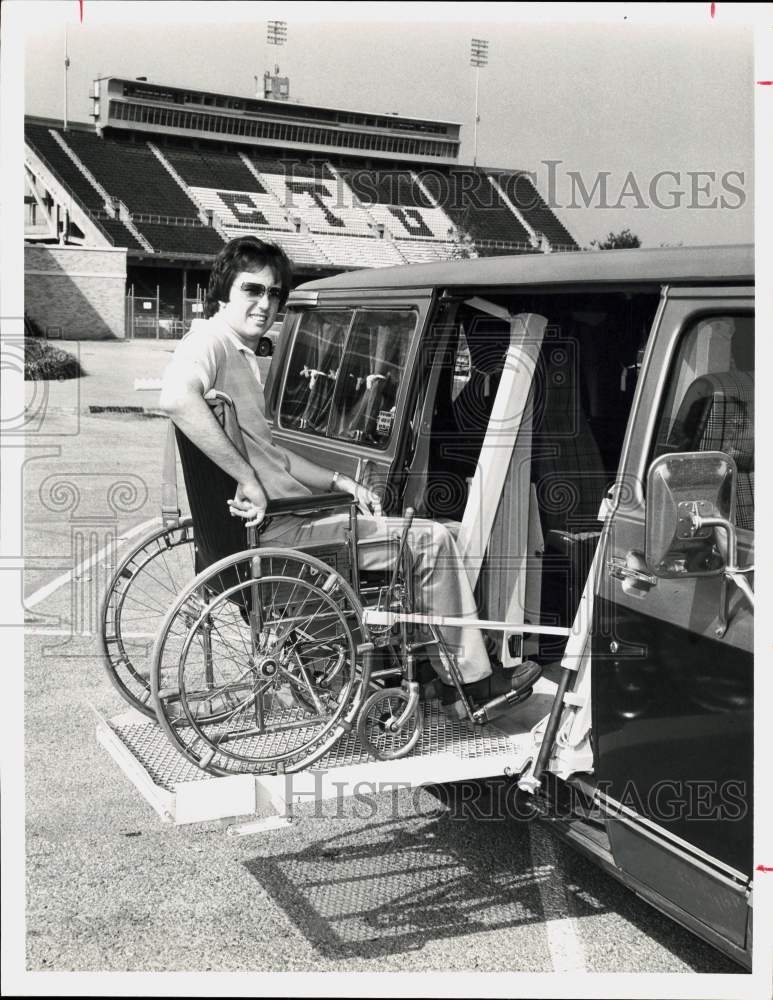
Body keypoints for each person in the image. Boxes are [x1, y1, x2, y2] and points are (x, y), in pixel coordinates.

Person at [160, 235, 540, 712]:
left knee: (431, 534)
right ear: (223, 292)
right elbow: (176, 398)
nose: (266, 303)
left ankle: (442, 665)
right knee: (435, 541)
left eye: (275, 294)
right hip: (285, 531)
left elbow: (273, 451)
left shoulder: (238, 352)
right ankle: (467, 685)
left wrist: (342, 482)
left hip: (283, 521)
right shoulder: (211, 341)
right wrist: (250, 480)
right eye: (252, 291)